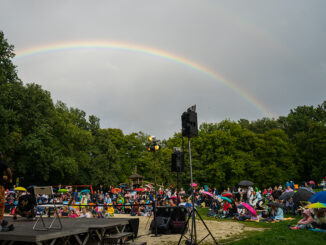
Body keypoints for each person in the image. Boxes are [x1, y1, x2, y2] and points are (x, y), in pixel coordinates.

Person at [0, 152, 14, 231]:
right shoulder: (2, 164)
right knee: (1, 205)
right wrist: (8, 180)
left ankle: (2, 223)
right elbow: (10, 174)